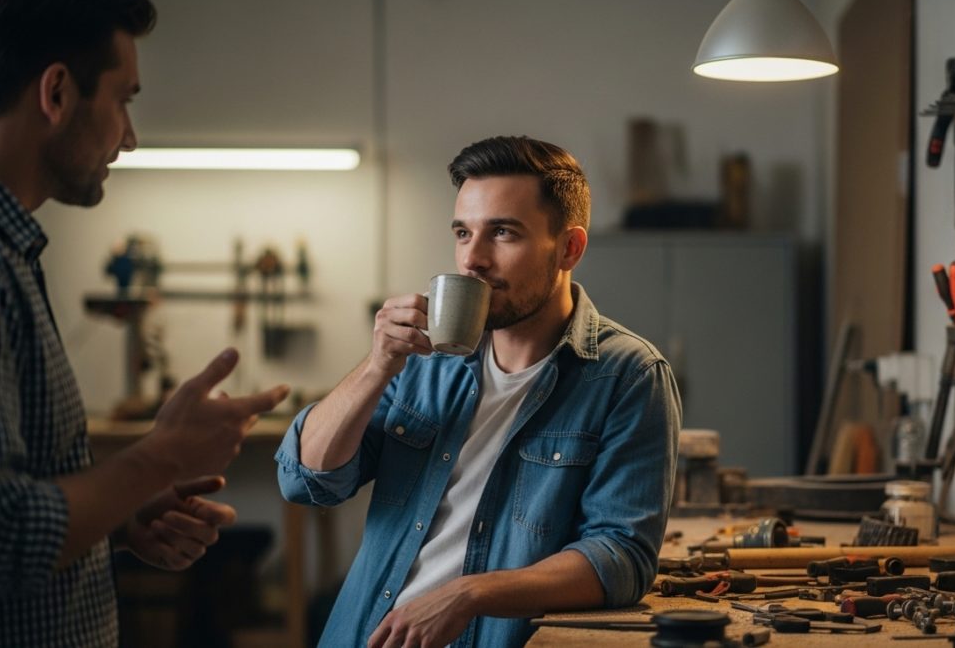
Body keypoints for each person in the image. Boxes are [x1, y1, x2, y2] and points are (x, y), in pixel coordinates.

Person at [0, 0, 290, 646]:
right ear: (57, 93)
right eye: (123, 99)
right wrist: (160, 456)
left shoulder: (5, 248)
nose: (131, 137)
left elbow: (17, 504)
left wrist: (120, 512)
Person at [277, 135, 681, 647]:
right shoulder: (423, 364)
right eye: (463, 233)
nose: (473, 260)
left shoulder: (628, 376)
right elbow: (308, 481)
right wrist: (376, 364)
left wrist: (468, 594)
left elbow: (621, 557)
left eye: (503, 233)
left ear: (569, 248)